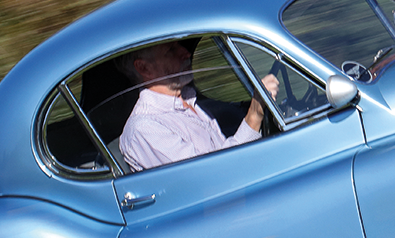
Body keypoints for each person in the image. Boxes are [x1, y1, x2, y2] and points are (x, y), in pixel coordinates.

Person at [117, 39, 278, 171]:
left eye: (179, 45)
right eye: (171, 50)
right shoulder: (144, 129)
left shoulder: (190, 101)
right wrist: (255, 113)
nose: (186, 53)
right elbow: (211, 177)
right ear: (143, 67)